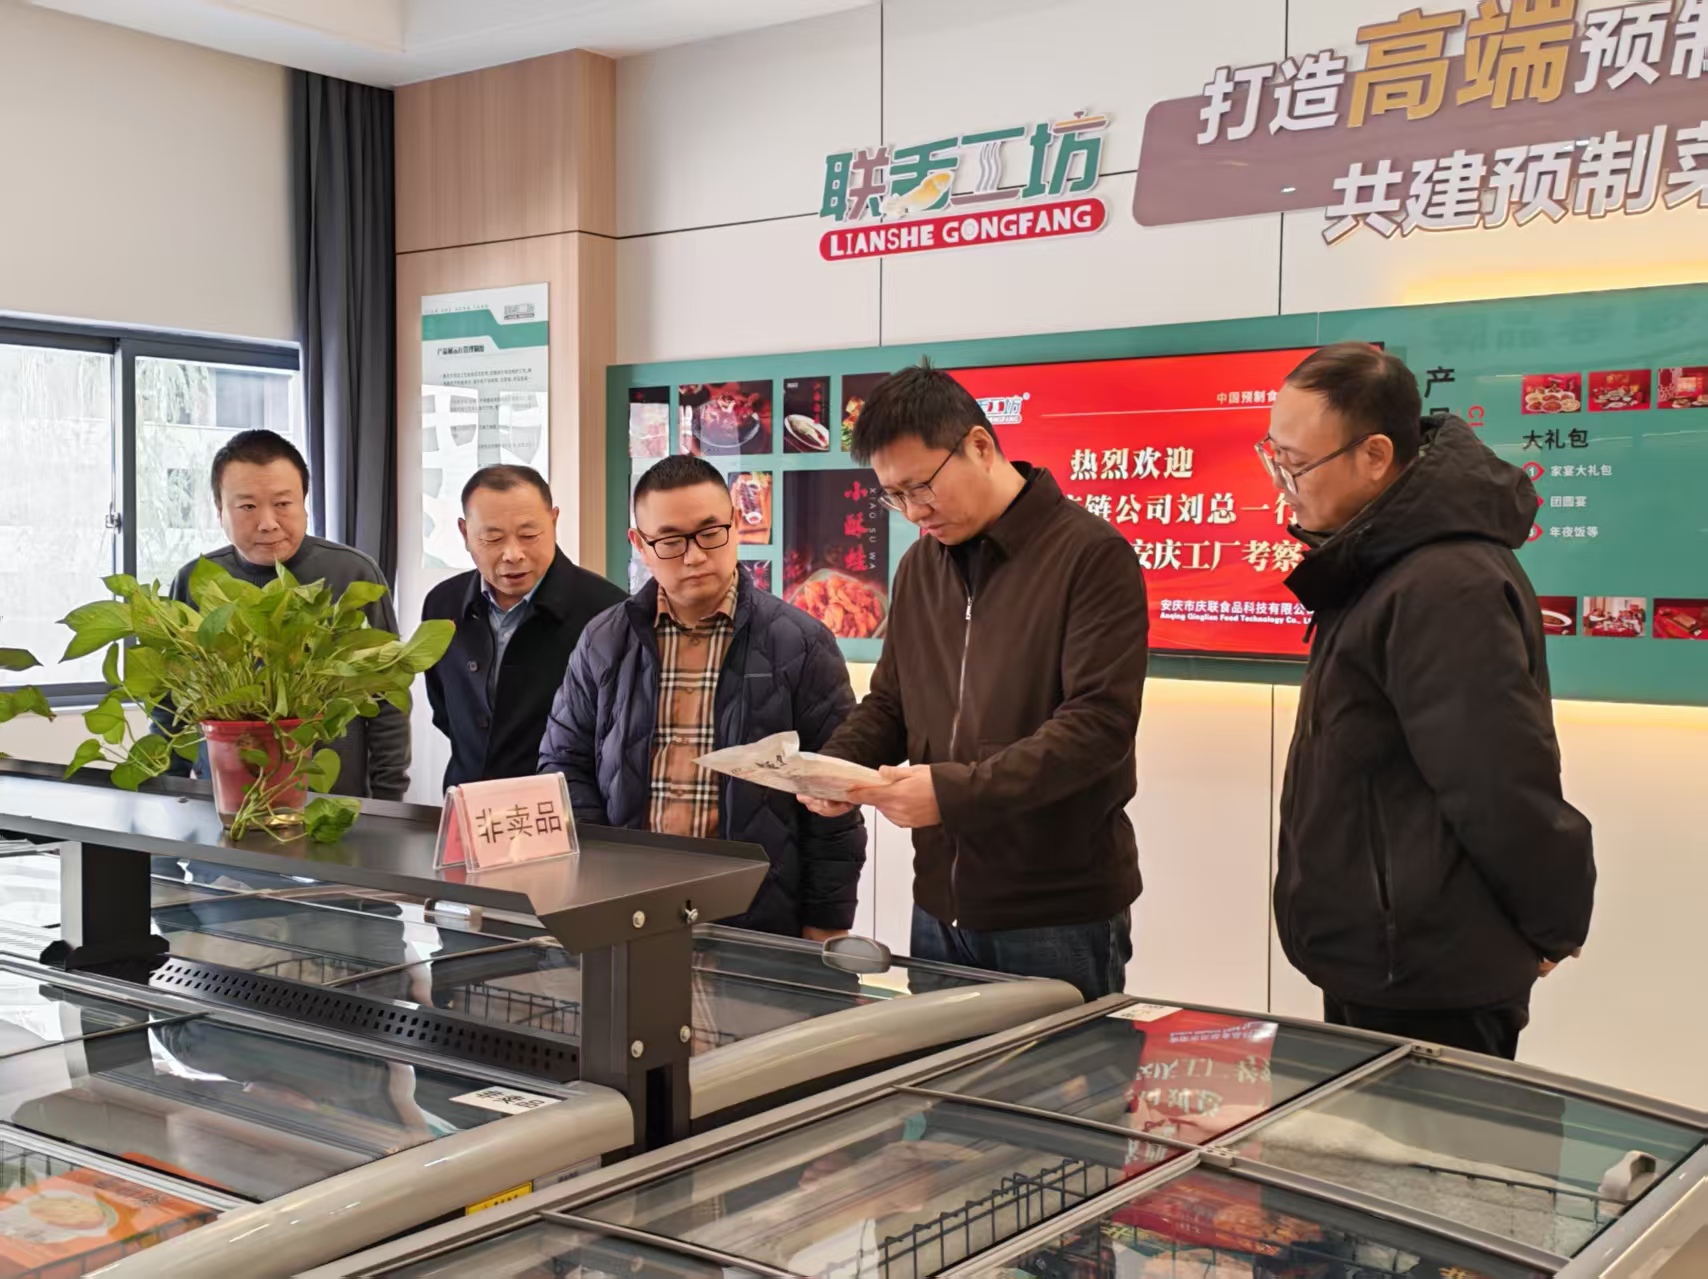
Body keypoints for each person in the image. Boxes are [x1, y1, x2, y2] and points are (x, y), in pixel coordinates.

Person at [1263, 342, 1595, 1059]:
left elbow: (1499, 782)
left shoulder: (1442, 582)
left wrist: (1552, 922)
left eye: (1297, 464)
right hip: (1388, 955)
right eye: (1275, 457)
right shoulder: (1380, 558)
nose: (1284, 485)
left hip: (1428, 971)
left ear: (1375, 456)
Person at [802, 360, 1149, 1000]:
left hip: (1055, 912)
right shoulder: (920, 566)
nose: (913, 512)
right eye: (895, 495)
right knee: (939, 1068)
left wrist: (952, 794)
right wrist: (837, 766)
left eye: (922, 487)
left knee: (1059, 1071)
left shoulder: (1090, 555)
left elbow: (1097, 728)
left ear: (980, 447)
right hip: (939, 905)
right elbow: (893, 702)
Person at [539, 454, 866, 940]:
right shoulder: (604, 640)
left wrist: (827, 923)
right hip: (628, 910)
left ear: (735, 524)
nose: (694, 557)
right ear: (640, 545)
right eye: (671, 541)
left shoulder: (801, 643)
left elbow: (833, 793)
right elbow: (564, 764)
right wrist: (599, 875)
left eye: (710, 532)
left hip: (756, 918)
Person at [166, 429, 409, 800]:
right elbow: (170, 702)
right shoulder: (197, 581)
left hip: (333, 804)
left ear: (304, 504)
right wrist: (169, 795)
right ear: (220, 511)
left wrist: (388, 801)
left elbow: (387, 696)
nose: (268, 522)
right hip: (225, 800)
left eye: (282, 503)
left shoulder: (352, 573)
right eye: (247, 507)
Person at [422, 465, 625, 790]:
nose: (513, 554)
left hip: (564, 808)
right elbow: (445, 712)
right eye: (492, 538)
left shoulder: (607, 612)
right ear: (464, 533)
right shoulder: (442, 604)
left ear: (554, 522)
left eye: (529, 535)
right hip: (468, 801)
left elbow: (615, 735)